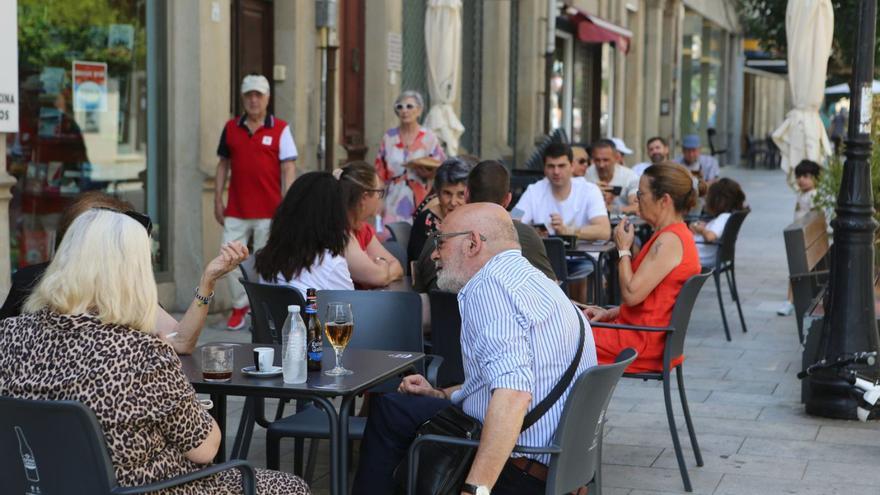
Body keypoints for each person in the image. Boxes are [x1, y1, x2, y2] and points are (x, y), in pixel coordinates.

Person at [0, 209, 309, 494]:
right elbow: (205, 448)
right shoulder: (143, 353)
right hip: (152, 489)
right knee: (289, 486)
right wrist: (185, 400)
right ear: (131, 275)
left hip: (41, 486)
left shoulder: (8, 337)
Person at [352, 203, 597, 494]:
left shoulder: (488, 288)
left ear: (472, 243)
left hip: (519, 469)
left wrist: (475, 489)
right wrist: (441, 393)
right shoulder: (537, 282)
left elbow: (514, 393)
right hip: (560, 463)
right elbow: (516, 377)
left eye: (440, 242)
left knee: (390, 410)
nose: (433, 254)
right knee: (395, 406)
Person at [0, 191, 247, 356]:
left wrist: (208, 282)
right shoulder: (30, 282)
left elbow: (181, 340)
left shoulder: (121, 287)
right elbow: (204, 434)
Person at [583, 163, 701, 372]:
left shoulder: (670, 241)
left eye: (641, 194)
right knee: (565, 332)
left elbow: (631, 294)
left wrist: (623, 249)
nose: (637, 199)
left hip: (640, 342)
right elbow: (655, 300)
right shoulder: (671, 235)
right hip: (639, 333)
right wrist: (610, 313)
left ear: (664, 200)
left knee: (559, 340)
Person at [215, 74, 298, 330]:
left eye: (258, 95)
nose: (253, 100)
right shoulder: (231, 128)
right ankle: (240, 306)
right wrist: (218, 197)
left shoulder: (281, 128)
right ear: (242, 98)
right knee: (228, 259)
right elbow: (223, 164)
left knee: (266, 261)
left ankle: (261, 309)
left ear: (267, 98)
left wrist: (288, 203)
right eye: (249, 95)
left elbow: (288, 168)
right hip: (237, 208)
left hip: (270, 209)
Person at [412, 160, 557, 291]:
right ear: (507, 199)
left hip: (443, 319)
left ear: (467, 195)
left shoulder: (437, 238)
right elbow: (552, 291)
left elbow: (419, 293)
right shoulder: (526, 235)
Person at [256, 172, 354, 294]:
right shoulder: (332, 265)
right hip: (312, 313)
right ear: (334, 217)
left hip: (272, 313)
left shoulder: (269, 257)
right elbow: (350, 309)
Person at [511, 142, 610, 240]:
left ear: (572, 166)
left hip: (583, 255)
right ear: (544, 169)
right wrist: (533, 232)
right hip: (545, 253)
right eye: (551, 166)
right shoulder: (533, 191)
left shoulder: (590, 190)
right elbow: (513, 220)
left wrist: (568, 231)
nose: (556, 172)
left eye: (561, 166)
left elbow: (604, 231)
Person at [375, 90, 447, 225]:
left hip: (421, 199)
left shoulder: (429, 137)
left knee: (417, 237)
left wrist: (429, 173)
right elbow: (379, 173)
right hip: (392, 200)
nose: (404, 110)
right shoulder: (389, 137)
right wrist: (378, 201)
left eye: (409, 106)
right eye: (400, 106)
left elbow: (442, 169)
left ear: (419, 110)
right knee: (390, 238)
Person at [337, 161, 405, 288]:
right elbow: (378, 277)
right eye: (379, 192)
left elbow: (398, 266)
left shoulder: (363, 229)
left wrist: (381, 270)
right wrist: (383, 267)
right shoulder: (341, 232)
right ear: (364, 197)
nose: (380, 199)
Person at [408, 157, 472, 262]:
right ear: (437, 193)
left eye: (461, 194)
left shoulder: (474, 218)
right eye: (447, 193)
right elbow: (421, 268)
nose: (453, 202)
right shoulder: (425, 222)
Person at [689, 178, 746, 267]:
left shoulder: (723, 218)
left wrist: (701, 230)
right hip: (703, 253)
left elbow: (710, 237)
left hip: (700, 256)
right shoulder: (725, 217)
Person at [584, 138, 640, 214]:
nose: (601, 165)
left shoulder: (630, 176)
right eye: (597, 160)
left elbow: (636, 207)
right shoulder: (586, 174)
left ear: (616, 158)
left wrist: (609, 208)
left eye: (606, 160)